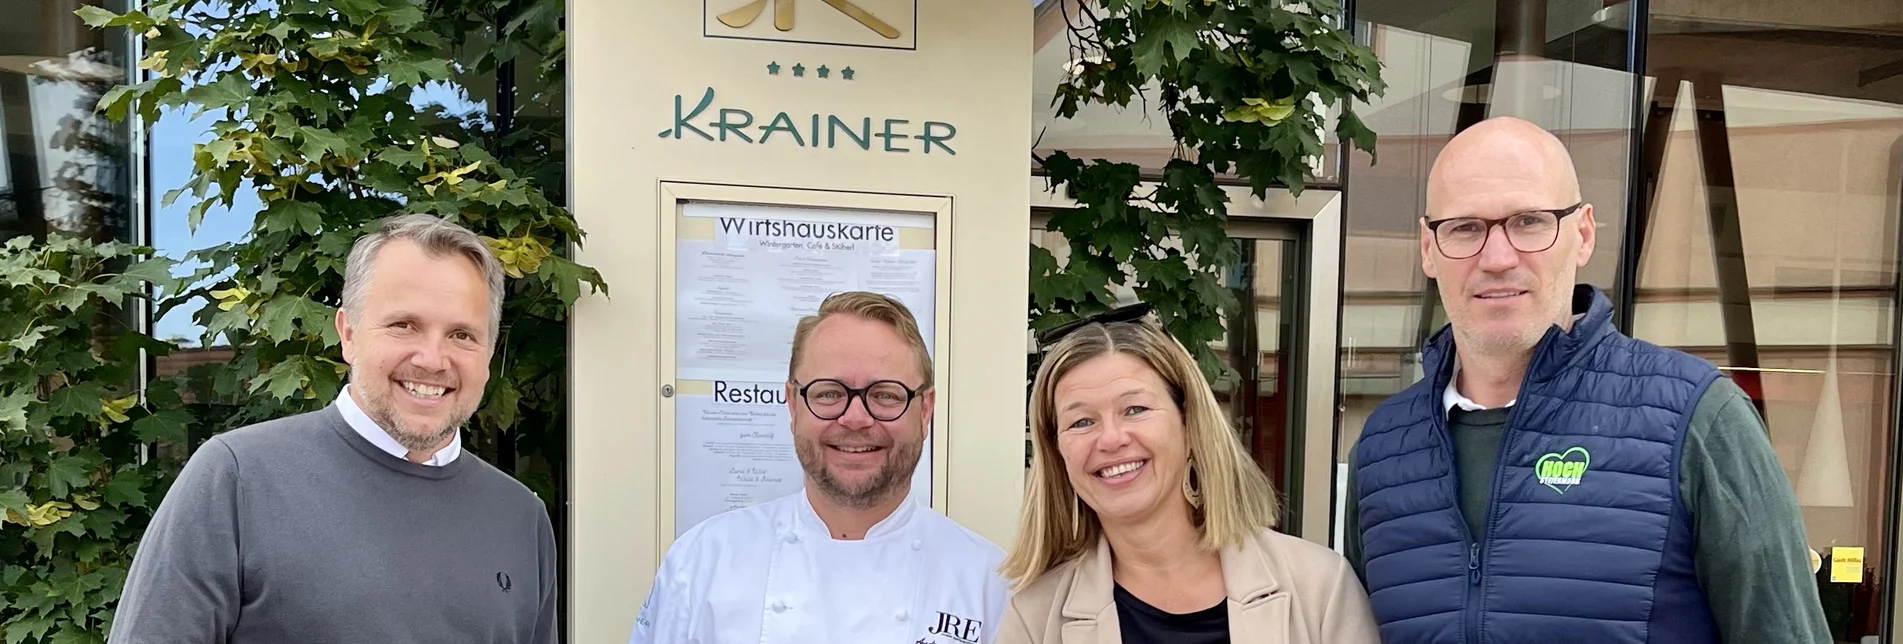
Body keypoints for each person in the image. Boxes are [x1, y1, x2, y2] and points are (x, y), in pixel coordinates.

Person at [1342, 116, 1831, 643]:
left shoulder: (1698, 422)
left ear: (1582, 235)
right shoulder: (1386, 448)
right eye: (1465, 228)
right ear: (1428, 249)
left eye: (1529, 222)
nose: (1498, 257)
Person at [109, 214, 558, 644]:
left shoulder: (521, 517)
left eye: (462, 335)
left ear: (489, 351)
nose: (433, 359)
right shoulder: (237, 480)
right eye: (404, 325)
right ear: (348, 333)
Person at [629, 291, 1009, 644]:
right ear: (793, 405)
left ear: (925, 410)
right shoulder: (701, 561)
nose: (856, 418)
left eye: (885, 395)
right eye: (830, 393)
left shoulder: (990, 584)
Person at [997, 305, 1378, 644]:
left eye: (1135, 409)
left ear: (1189, 424)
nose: (1111, 439)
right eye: (1082, 421)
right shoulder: (1035, 620)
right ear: (1057, 451)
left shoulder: (1319, 589)